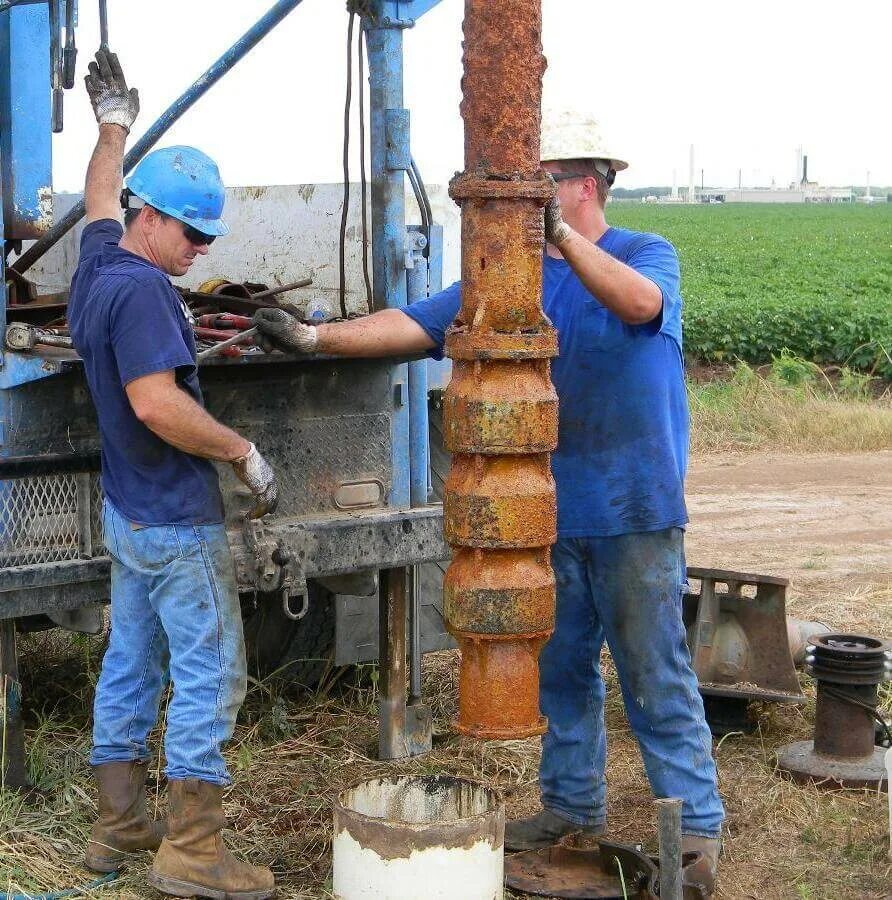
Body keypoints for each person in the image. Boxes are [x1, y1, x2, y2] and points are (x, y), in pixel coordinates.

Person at [252, 111, 724, 894]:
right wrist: (314, 339)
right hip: (543, 513)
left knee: (654, 671)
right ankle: (573, 808)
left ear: (576, 184)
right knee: (562, 672)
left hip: (635, 508)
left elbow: (640, 306)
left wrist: (563, 242)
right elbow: (414, 324)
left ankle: (697, 830)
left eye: (538, 182)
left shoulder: (643, 254)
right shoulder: (509, 280)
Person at [68, 50, 277, 900]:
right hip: (177, 522)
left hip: (130, 516)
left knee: (130, 664)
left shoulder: (100, 263)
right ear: (150, 219)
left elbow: (95, 198)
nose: (198, 250)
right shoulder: (147, 293)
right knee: (211, 672)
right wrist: (241, 451)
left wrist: (112, 123)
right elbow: (156, 405)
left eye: (208, 237)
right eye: (190, 232)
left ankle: (118, 828)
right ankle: (193, 853)